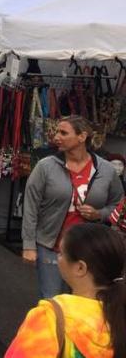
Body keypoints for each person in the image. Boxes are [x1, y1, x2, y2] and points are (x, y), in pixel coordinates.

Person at [22, 116, 123, 299]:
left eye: (63, 133)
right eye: (56, 132)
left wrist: (99, 214)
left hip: (88, 250)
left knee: (83, 301)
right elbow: (30, 206)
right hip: (51, 246)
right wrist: (29, 245)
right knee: (52, 300)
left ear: (82, 136)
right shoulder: (46, 167)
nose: (56, 137)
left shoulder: (105, 170)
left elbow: (118, 204)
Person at [6, 223, 126, 358]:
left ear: (80, 268)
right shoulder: (119, 315)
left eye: (61, 253)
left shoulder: (49, 317)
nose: (58, 258)